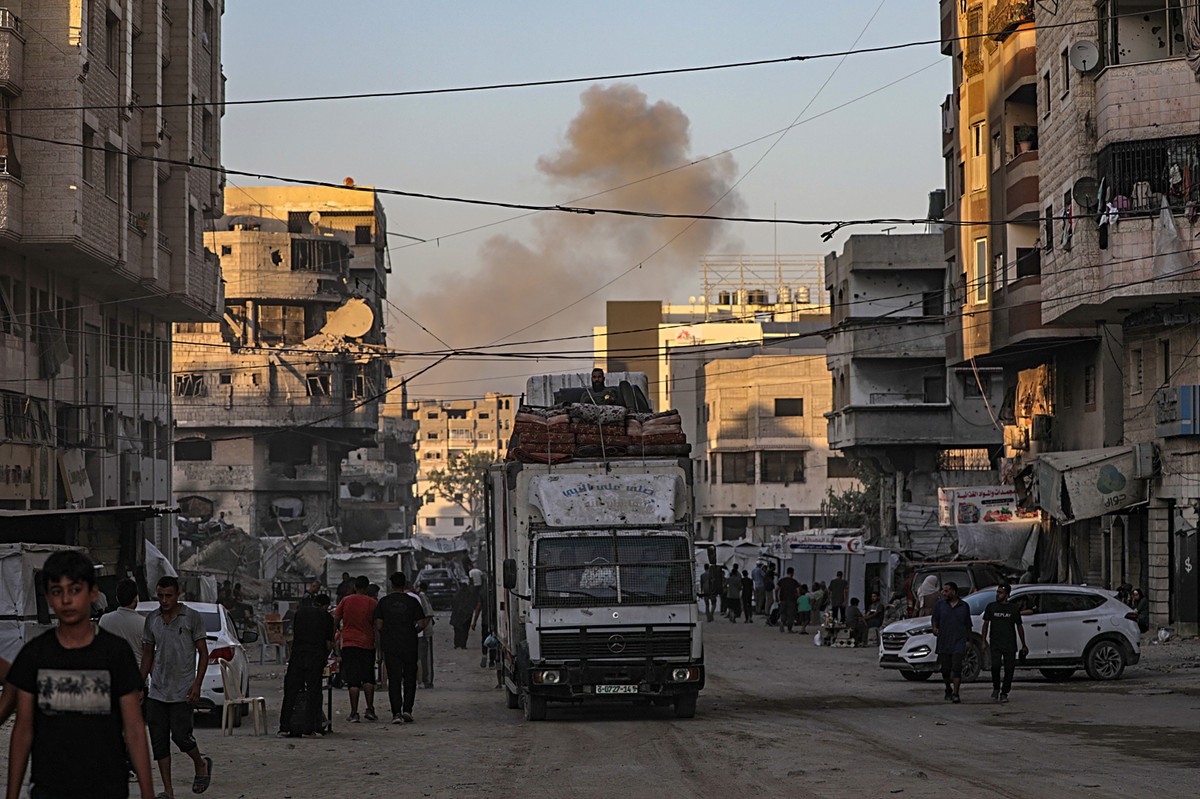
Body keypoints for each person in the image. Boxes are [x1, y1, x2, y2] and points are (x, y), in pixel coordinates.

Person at [5, 550, 155, 799]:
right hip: (49, 789)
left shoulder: (115, 655)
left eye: (74, 590)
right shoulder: (34, 655)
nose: (66, 600)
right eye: (57, 591)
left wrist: (148, 793)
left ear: (93, 593)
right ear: (49, 598)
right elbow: (23, 730)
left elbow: (134, 728)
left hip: (106, 788)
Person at [140, 575, 212, 797]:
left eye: (168, 596)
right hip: (158, 691)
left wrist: (197, 684)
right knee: (159, 743)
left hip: (182, 691)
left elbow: (203, 653)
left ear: (178, 595)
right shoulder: (152, 619)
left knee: (181, 737)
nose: (164, 600)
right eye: (160, 596)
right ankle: (168, 790)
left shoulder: (191, 618)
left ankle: (200, 763)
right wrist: (138, 686)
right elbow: (147, 656)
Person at [279, 593, 335, 737]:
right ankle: (308, 730)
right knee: (313, 692)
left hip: (297, 656)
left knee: (291, 692)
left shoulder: (300, 613)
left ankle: (284, 728)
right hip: (315, 658)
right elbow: (329, 643)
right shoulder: (327, 617)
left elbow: (293, 635)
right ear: (325, 605)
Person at [374, 572, 428, 723]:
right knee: (410, 677)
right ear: (404, 584)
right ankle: (408, 710)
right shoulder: (412, 602)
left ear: (391, 585)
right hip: (409, 644)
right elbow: (422, 623)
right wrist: (412, 631)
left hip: (391, 645)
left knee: (394, 678)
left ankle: (396, 713)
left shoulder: (384, 602)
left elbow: (378, 625)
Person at [334, 575, 379, 722]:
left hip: (349, 644)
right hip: (367, 644)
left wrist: (335, 635)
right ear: (367, 588)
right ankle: (370, 709)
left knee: (353, 681)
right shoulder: (372, 603)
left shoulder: (346, 600)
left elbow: (336, 619)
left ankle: (354, 712)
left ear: (355, 587)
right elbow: (377, 625)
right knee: (368, 678)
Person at [981, 584, 1028, 703]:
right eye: (997, 592)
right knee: (995, 666)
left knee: (1009, 669)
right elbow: (985, 624)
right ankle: (996, 688)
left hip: (1009, 643)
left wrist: (1023, 644)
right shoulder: (991, 607)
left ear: (1007, 594)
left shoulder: (1013, 609)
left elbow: (1019, 626)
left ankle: (1004, 692)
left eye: (1001, 592)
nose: (998, 594)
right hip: (995, 643)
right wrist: (983, 640)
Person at [931, 581, 972, 704]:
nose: (944, 593)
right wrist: (934, 628)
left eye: (947, 590)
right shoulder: (940, 605)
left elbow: (968, 625)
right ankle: (948, 688)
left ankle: (956, 693)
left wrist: (969, 641)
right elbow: (935, 619)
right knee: (946, 669)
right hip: (944, 641)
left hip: (958, 641)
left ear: (954, 592)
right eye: (943, 590)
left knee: (957, 667)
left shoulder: (964, 606)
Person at [99, 578, 146, 668]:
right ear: (135, 599)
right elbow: (148, 654)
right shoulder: (143, 623)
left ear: (117, 598)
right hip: (136, 673)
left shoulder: (104, 620)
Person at [411, 582, 436, 689]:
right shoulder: (420, 596)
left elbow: (428, 615)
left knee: (421, 658)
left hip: (422, 632)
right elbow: (429, 614)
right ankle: (426, 680)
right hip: (422, 632)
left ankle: (425, 680)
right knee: (424, 658)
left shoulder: (420, 597)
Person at [450, 581, 477, 649]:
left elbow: (453, 604)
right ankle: (463, 644)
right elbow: (473, 604)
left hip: (457, 616)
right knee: (465, 631)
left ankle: (457, 644)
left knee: (457, 631)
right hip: (466, 616)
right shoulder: (469, 594)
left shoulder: (457, 595)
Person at [775, 567, 800, 634]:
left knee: (783, 613)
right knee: (790, 615)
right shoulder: (794, 581)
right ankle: (789, 629)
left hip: (783, 599)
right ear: (792, 573)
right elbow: (798, 591)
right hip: (791, 600)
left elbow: (776, 589)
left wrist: (777, 598)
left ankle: (782, 622)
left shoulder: (782, 580)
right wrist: (797, 597)